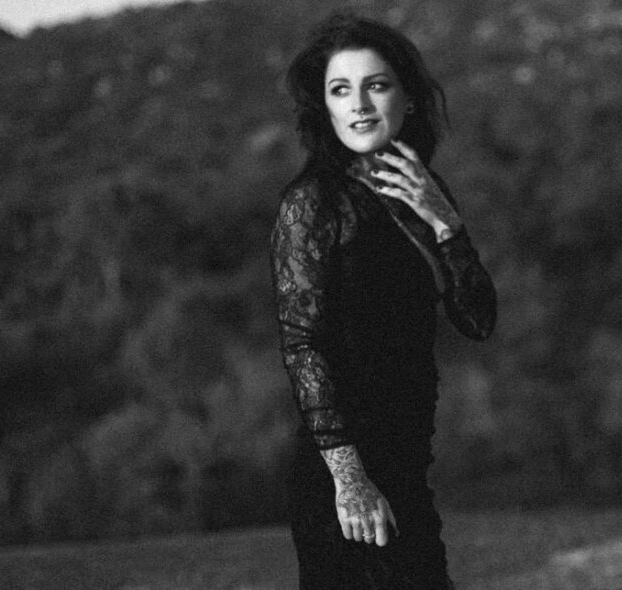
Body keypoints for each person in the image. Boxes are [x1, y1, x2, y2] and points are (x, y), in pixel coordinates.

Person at [270, 13, 496, 589]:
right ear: (324, 108)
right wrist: (349, 479)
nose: (360, 103)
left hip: (408, 465)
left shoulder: (425, 191)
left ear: (409, 99)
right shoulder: (312, 203)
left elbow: (477, 319)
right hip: (344, 476)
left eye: (377, 84)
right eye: (340, 89)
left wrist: (446, 223)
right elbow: (302, 344)